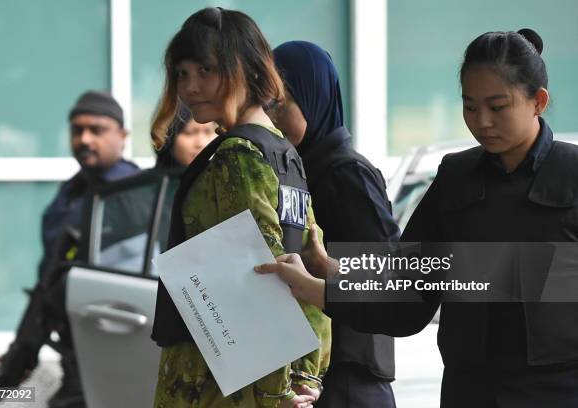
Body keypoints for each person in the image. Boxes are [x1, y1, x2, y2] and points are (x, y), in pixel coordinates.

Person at [257, 29, 578, 407]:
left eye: (498, 106)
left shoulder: (571, 174)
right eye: (470, 106)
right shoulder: (456, 177)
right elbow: (407, 295)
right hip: (469, 394)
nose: (482, 122)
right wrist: (326, 276)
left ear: (538, 101)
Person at [149, 7, 331, 408]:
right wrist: (306, 377)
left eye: (206, 71)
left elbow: (263, 277)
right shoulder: (283, 150)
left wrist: (273, 393)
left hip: (218, 378)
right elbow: (308, 264)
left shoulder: (238, 154)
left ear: (246, 69)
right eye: (182, 73)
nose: (191, 87)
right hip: (257, 375)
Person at [0, 91, 139, 408]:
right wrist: (24, 348)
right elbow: (50, 276)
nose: (85, 139)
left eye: (96, 130)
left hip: (119, 343)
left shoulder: (135, 194)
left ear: (123, 136)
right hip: (74, 343)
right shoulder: (71, 192)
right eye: (77, 130)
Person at [271, 41, 399, 408]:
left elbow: (391, 275)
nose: (273, 117)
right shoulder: (297, 170)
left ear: (313, 98)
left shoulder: (347, 173)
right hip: (319, 376)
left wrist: (324, 266)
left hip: (350, 376)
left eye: (281, 104)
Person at [155, 103, 217, 169]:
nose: (201, 143)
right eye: (190, 133)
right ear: (168, 137)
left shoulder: (222, 176)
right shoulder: (152, 179)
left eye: (208, 131)